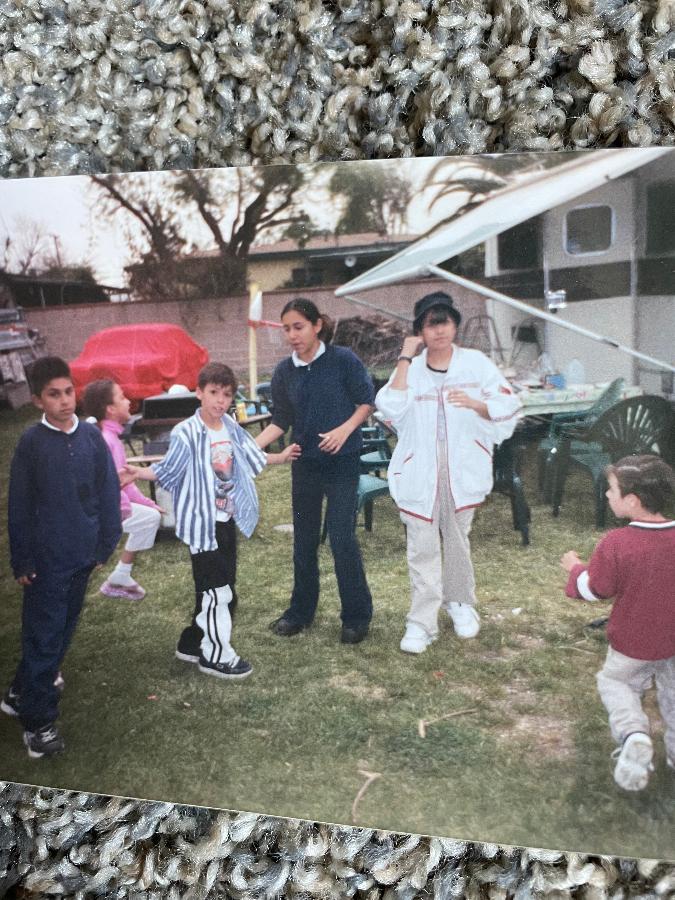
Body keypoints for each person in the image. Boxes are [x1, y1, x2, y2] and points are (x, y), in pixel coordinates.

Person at [124, 362, 299, 680]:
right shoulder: (187, 432)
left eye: (227, 395)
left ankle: (192, 642)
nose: (220, 400)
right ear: (199, 393)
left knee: (217, 586)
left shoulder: (229, 426)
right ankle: (216, 655)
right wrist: (138, 472)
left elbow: (248, 455)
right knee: (218, 592)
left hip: (225, 520)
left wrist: (280, 457)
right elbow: (168, 470)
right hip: (202, 525)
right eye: (214, 392)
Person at [375, 291, 521, 654]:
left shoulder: (475, 364)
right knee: (421, 547)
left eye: (445, 323)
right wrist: (405, 357)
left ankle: (460, 603)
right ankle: (421, 622)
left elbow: (508, 404)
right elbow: (390, 406)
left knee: (457, 540)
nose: (439, 331)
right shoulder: (411, 369)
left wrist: (476, 404)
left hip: (463, 469)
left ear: (455, 326)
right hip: (420, 472)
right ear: (420, 331)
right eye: (430, 324)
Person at [1, 357, 121, 758]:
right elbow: (19, 506)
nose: (65, 401)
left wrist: (105, 543)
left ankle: (20, 693)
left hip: (83, 557)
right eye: (54, 395)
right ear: (38, 400)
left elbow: (107, 491)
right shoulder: (32, 444)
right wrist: (23, 560)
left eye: (69, 392)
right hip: (46, 563)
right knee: (45, 638)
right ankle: (38, 725)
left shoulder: (91, 438)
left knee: (61, 632)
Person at [255, 297, 375, 644]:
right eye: (286, 329)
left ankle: (356, 617)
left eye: (299, 327)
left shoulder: (343, 360)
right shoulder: (283, 372)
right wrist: (248, 448)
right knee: (304, 540)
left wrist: (344, 430)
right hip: (305, 465)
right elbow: (280, 421)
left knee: (341, 537)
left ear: (317, 325)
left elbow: (366, 402)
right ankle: (300, 613)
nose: (292, 335)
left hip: (342, 462)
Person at [561, 454, 675, 792]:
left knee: (616, 683)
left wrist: (575, 569)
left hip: (632, 641)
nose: (607, 495)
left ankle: (633, 733)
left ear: (632, 500)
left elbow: (595, 589)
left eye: (611, 489)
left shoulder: (617, 543)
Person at [82, 379, 162, 600]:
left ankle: (121, 575)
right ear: (110, 409)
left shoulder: (111, 438)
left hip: (114, 508)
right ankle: (115, 574)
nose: (128, 401)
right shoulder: (107, 441)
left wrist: (148, 504)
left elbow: (125, 481)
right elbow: (114, 485)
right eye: (122, 397)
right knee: (149, 518)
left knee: (150, 517)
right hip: (106, 512)